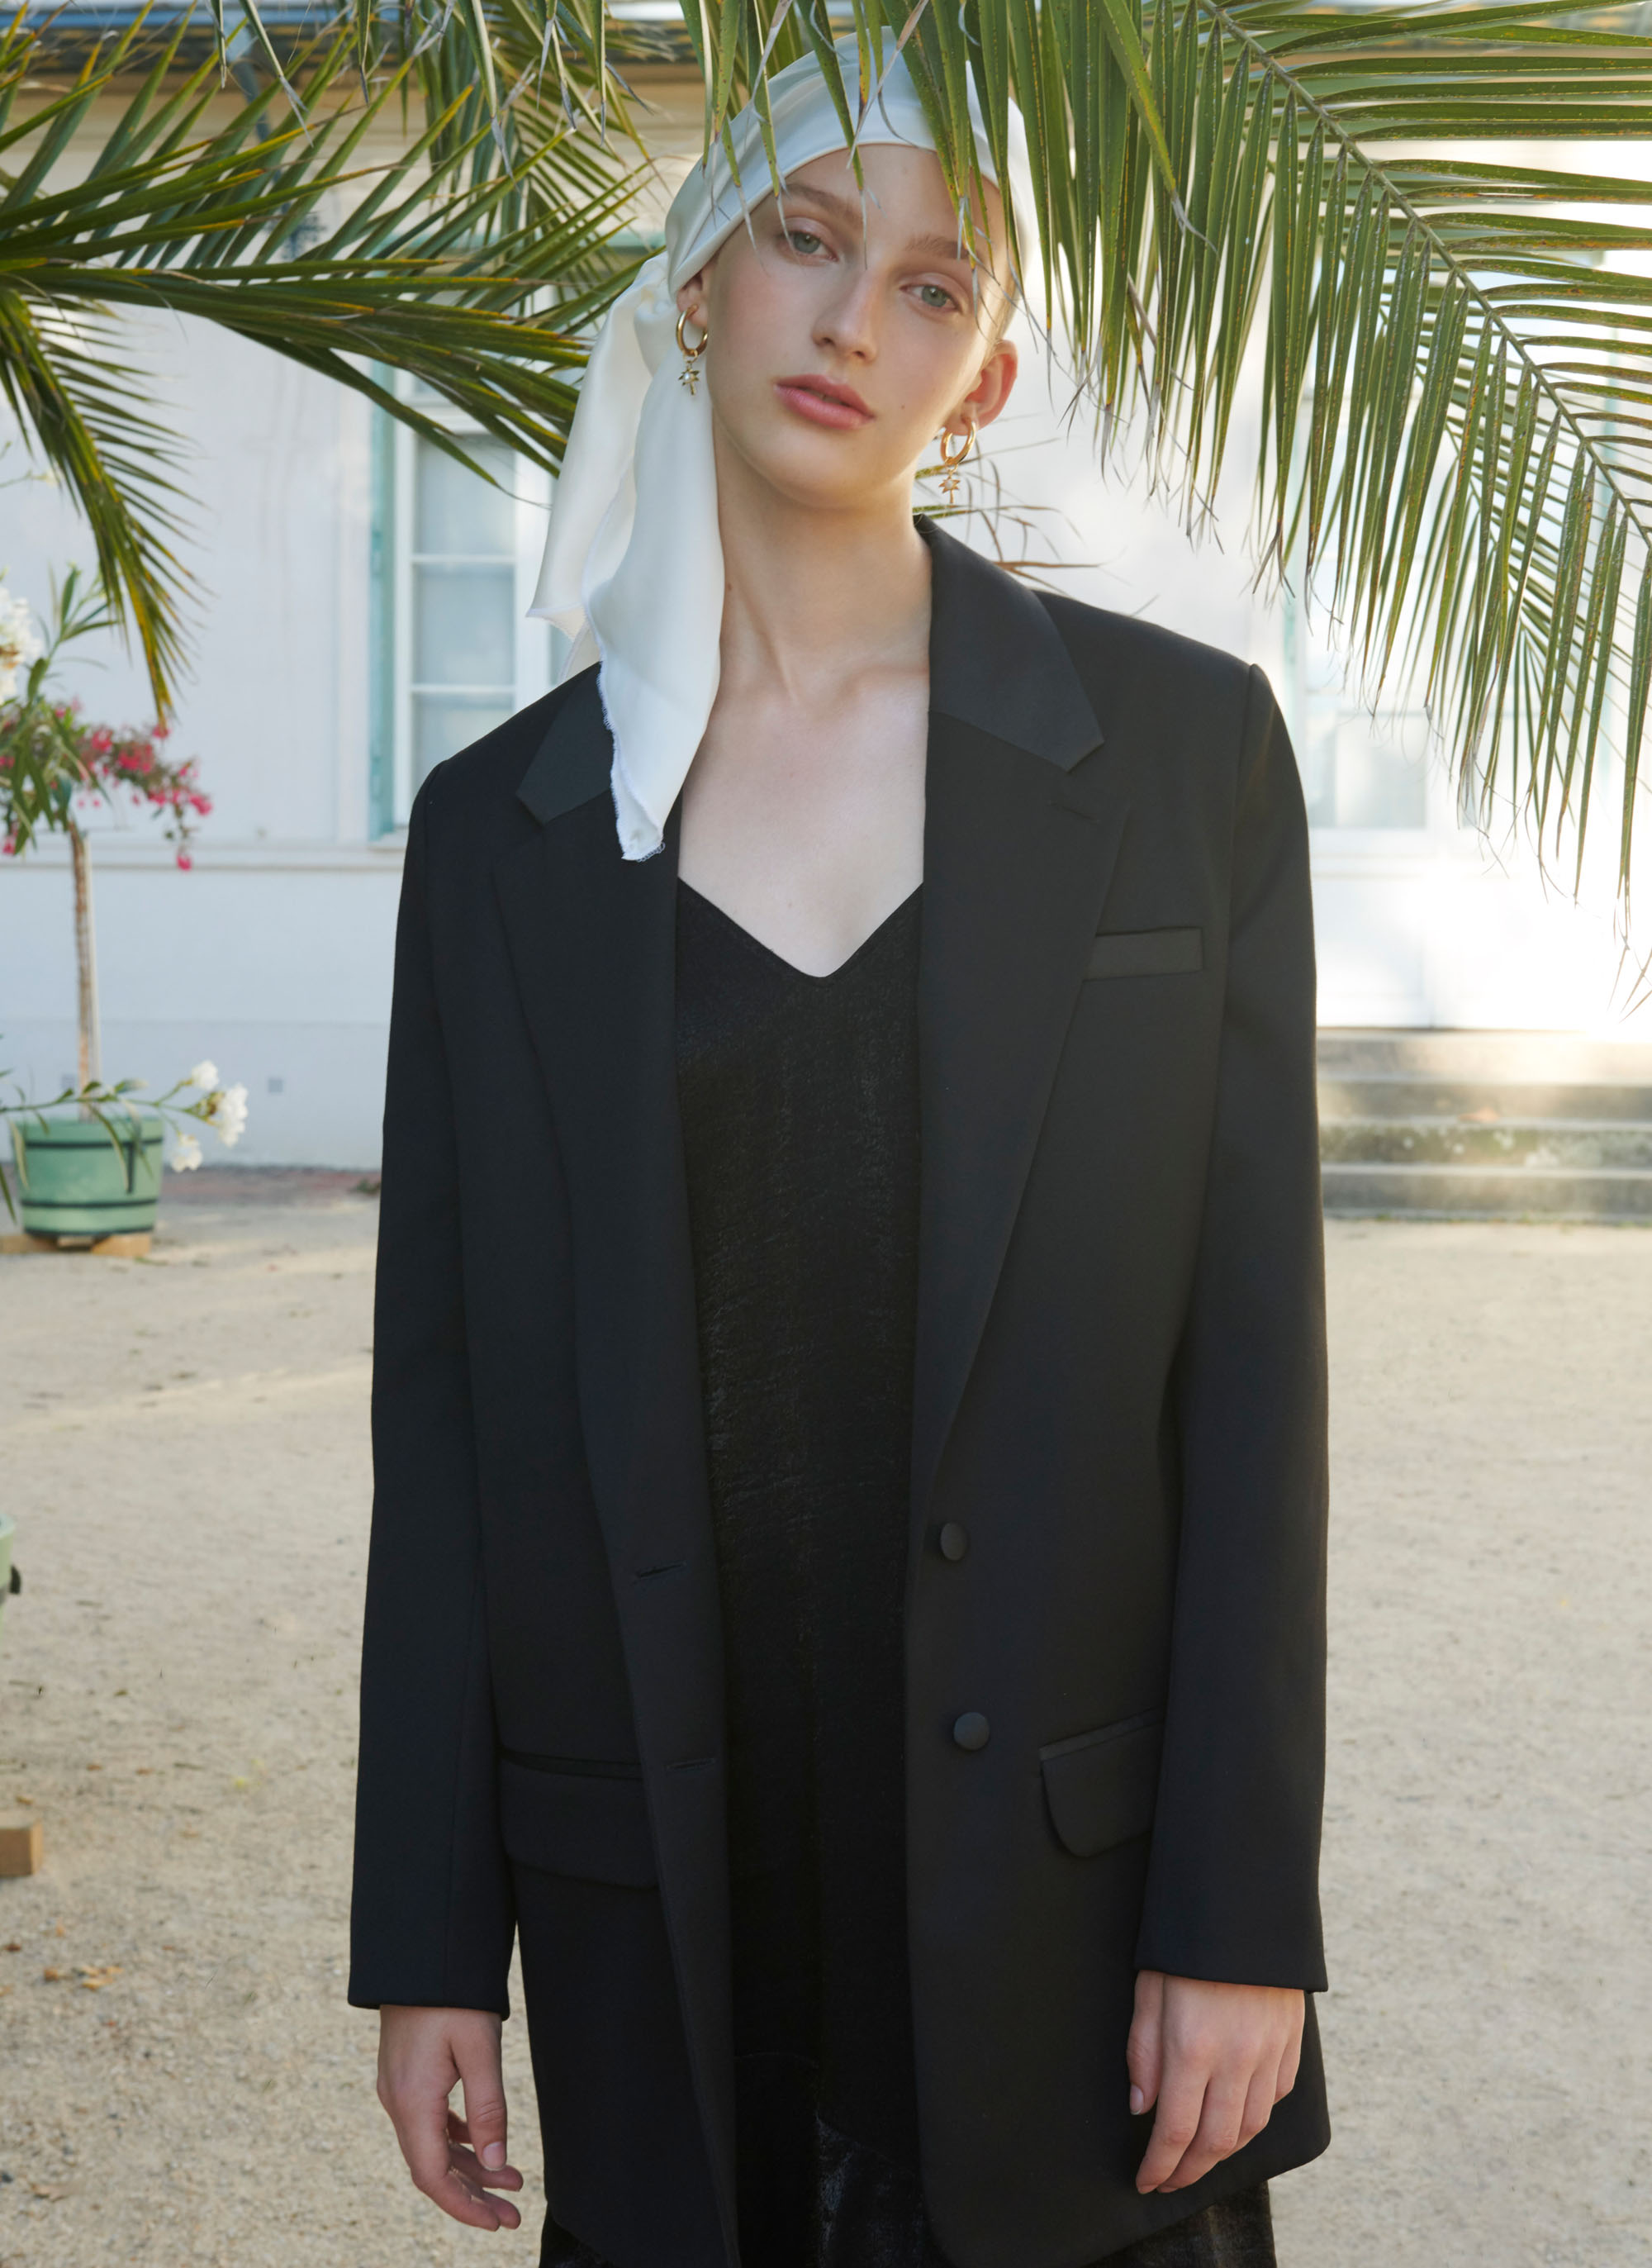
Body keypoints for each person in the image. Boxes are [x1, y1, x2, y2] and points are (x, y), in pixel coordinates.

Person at [349, 39, 1330, 2268]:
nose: (853, 321)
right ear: (700, 285)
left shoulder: (1180, 763)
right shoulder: (498, 839)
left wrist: (1239, 1916)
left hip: (1073, 1924)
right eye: (806, 240)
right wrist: (429, 1943)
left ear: (984, 382)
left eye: (931, 286)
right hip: (659, 1904)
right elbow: (452, 1420)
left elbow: (1254, 1381)